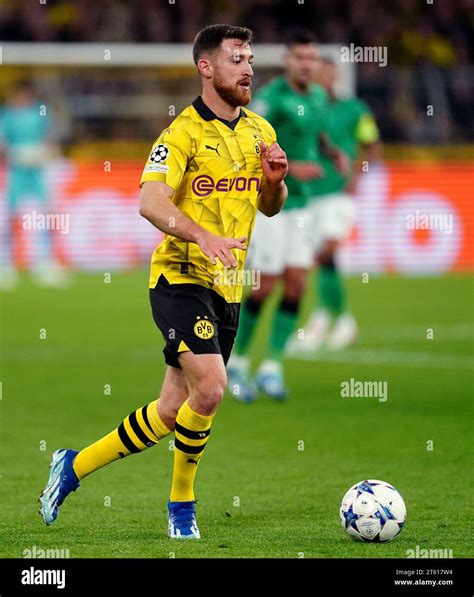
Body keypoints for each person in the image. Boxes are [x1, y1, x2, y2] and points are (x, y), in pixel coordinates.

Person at [38, 24, 288, 540]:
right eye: (237, 59)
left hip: (227, 287)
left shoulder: (261, 130)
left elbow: (269, 208)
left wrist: (274, 182)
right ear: (207, 68)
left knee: (175, 411)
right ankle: (181, 506)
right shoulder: (181, 134)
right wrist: (200, 235)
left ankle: (72, 465)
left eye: (250, 58)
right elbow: (150, 201)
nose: (248, 68)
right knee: (214, 388)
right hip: (179, 277)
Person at [226, 30, 347, 402]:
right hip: (271, 207)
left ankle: (272, 366)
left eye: (312, 58)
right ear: (287, 61)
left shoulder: (316, 97)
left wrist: (333, 153)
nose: (307, 64)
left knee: (297, 285)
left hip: (305, 206)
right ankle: (238, 363)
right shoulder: (270, 100)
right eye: (300, 58)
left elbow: (318, 133)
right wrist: (291, 168)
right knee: (265, 285)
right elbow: (246, 150)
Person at [294, 57, 381, 351]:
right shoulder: (308, 109)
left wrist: (359, 174)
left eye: (330, 75)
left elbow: (372, 144)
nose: (326, 80)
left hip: (339, 193)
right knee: (323, 257)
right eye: (321, 75)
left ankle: (337, 319)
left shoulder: (355, 109)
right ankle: (328, 317)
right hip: (311, 194)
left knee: (327, 250)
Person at [0, 81, 65, 290]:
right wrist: (14, 153)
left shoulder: (40, 112)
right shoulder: (7, 114)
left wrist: (45, 152)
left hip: (37, 170)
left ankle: (44, 263)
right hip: (16, 170)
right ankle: (5, 264)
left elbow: (50, 137)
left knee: (47, 215)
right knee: (9, 216)